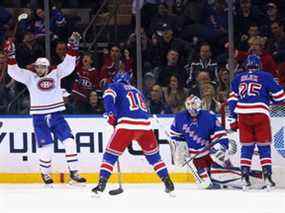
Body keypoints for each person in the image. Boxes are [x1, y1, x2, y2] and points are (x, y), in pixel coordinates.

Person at [4, 32, 86, 185]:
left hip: (56, 115)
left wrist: (72, 47)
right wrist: (11, 55)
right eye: (37, 67)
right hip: (39, 117)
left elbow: (69, 65)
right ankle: (45, 174)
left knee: (69, 142)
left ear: (47, 67)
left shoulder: (56, 73)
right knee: (46, 148)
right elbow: (13, 71)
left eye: (42, 67)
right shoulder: (30, 77)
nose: (39, 69)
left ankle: (74, 172)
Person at [91, 72, 174, 195]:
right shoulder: (137, 90)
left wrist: (111, 114)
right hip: (145, 126)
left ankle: (101, 184)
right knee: (154, 157)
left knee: (110, 155)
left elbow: (108, 98)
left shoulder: (114, 86)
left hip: (127, 125)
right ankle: (168, 182)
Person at [228, 54, 285, 190]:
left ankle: (244, 178)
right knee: (263, 146)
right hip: (260, 113)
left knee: (247, 147)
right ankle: (267, 177)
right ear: (259, 65)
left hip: (242, 115)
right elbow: (281, 96)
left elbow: (232, 101)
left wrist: (233, 118)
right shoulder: (265, 76)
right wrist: (269, 99)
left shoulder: (237, 78)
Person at [170, 95, 234, 189]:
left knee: (219, 156)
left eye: (193, 104)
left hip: (210, 151)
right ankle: (207, 174)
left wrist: (220, 146)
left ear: (199, 105)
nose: (191, 107)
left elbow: (220, 134)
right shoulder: (180, 118)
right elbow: (175, 135)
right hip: (196, 155)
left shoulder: (208, 116)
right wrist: (180, 147)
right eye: (188, 105)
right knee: (206, 180)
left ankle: (230, 172)